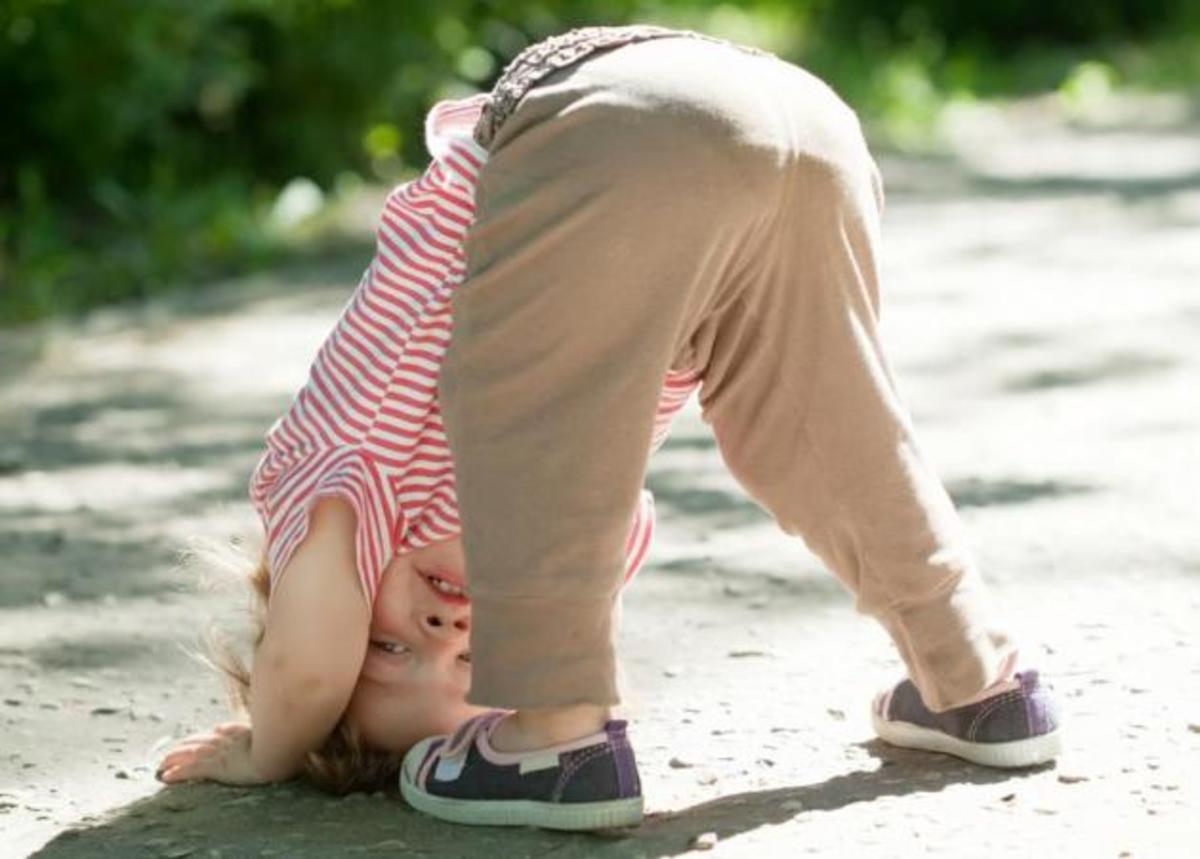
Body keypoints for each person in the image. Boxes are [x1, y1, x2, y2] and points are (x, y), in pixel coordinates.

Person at [158, 23, 1062, 825]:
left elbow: (308, 668)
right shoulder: (559, 528)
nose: (444, 633)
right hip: (800, 125)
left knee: (524, 418)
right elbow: (566, 546)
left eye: (387, 646)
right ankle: (977, 681)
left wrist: (265, 749)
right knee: (824, 432)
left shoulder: (333, 486)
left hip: (615, 124)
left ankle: (553, 737)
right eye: (475, 665)